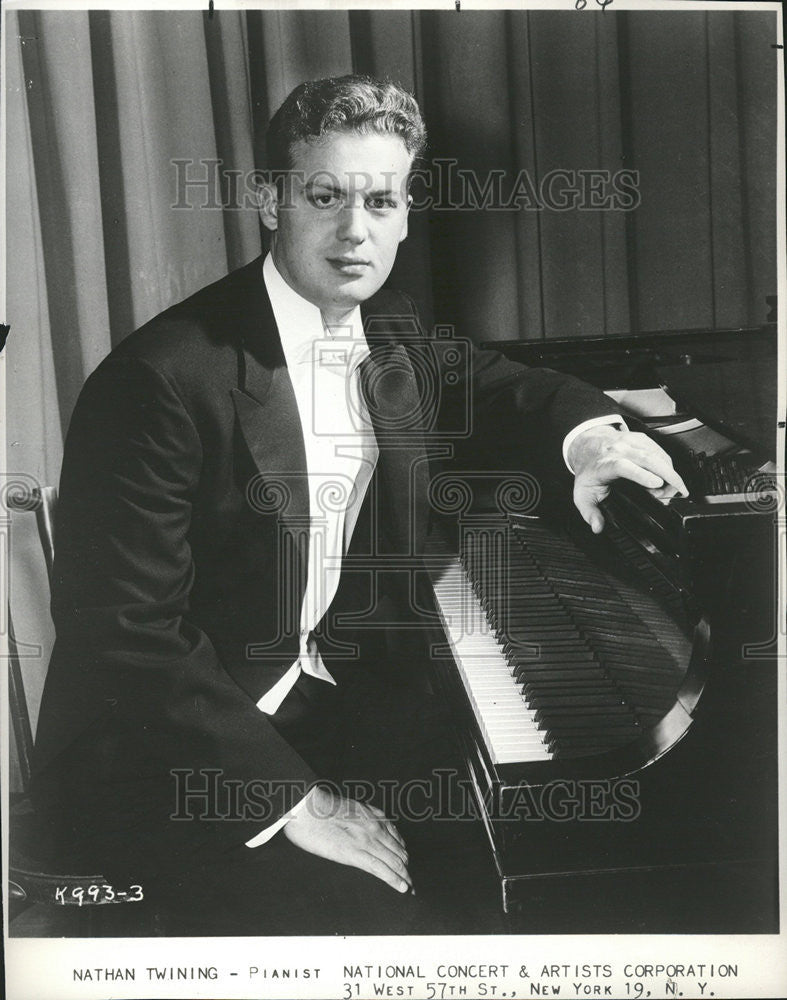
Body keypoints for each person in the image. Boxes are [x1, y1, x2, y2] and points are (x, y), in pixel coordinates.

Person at [30, 75, 686, 935]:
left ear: (406, 211)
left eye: (381, 200)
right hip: (168, 757)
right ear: (270, 201)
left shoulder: (392, 328)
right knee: (407, 919)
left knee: (522, 861)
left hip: (315, 698)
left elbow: (504, 390)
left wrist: (593, 439)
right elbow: (126, 633)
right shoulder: (157, 379)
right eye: (325, 195)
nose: (354, 231)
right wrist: (297, 802)